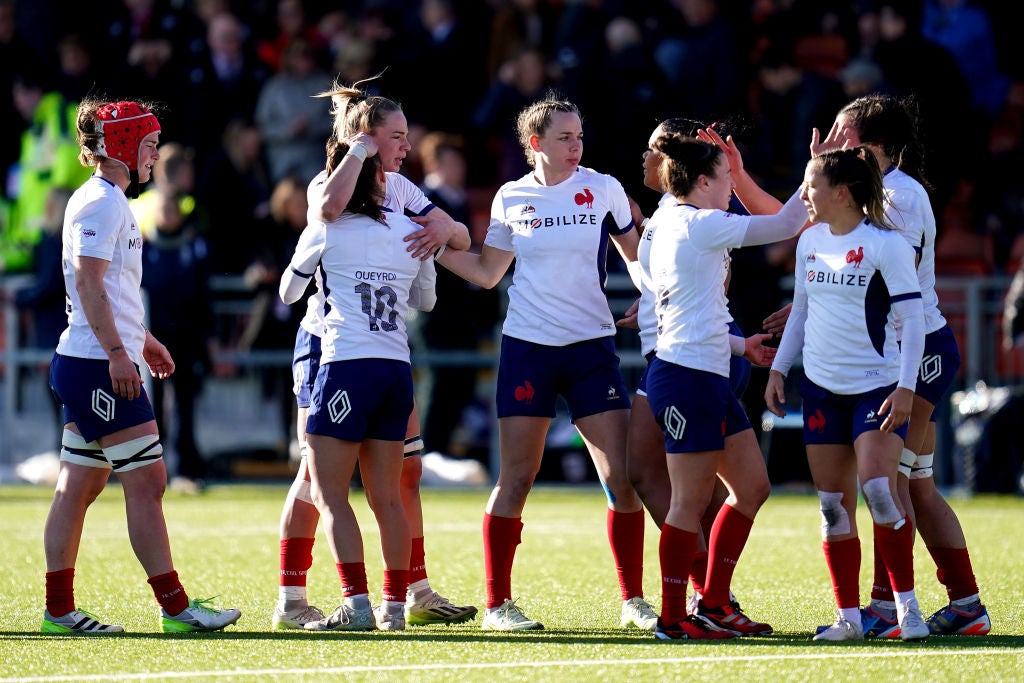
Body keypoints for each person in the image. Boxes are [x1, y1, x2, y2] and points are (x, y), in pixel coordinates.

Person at [436, 94, 655, 632]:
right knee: (516, 478)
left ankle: (634, 600)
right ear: (535, 144)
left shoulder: (604, 188)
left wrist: (653, 296)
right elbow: (489, 273)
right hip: (528, 349)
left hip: (591, 349)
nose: (576, 145)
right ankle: (496, 606)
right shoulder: (511, 198)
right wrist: (433, 246)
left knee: (621, 477)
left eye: (580, 136)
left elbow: (640, 256)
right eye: (565, 137)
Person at [272, 78, 476, 631]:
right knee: (317, 479)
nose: (408, 146)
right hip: (329, 344)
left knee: (396, 476)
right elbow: (330, 210)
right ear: (365, 137)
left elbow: (453, 233)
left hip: (366, 348)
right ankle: (295, 598)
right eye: (398, 136)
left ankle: (405, 593)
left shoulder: (402, 189)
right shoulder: (328, 183)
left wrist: (444, 231)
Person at [42, 98, 240, 634]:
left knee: (78, 487)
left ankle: (59, 610)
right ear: (125, 144)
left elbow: (111, 290)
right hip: (95, 363)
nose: (155, 154)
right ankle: (176, 608)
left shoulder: (111, 200)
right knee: (149, 480)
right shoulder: (102, 203)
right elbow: (86, 284)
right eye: (149, 143)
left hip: (94, 359)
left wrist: (143, 340)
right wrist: (116, 354)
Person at [828, 94, 990, 637]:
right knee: (915, 484)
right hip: (921, 349)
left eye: (842, 132)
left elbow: (881, 281)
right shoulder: (887, 191)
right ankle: (966, 604)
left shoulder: (897, 197)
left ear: (869, 143)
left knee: (888, 483)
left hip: (915, 355)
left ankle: (884, 607)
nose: (833, 139)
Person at [619, 119, 786, 634]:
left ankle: (712, 602)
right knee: (688, 500)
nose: (732, 187)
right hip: (686, 374)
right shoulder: (698, 222)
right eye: (726, 177)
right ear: (705, 180)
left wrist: (740, 344)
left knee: (751, 486)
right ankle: (675, 616)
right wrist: (821, 168)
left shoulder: (671, 219)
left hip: (703, 367)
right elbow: (788, 224)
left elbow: (680, 305)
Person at [765, 147, 929, 642]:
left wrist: (905, 387)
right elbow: (800, 313)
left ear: (841, 192)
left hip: (875, 389)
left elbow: (913, 318)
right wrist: (778, 368)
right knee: (832, 505)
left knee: (879, 492)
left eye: (810, 185)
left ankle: (909, 612)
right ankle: (849, 619)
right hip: (819, 389)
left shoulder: (886, 245)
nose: (804, 194)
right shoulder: (810, 240)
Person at [279, 140, 435, 632]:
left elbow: (288, 292)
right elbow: (426, 300)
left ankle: (356, 604)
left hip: (345, 363)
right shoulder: (412, 227)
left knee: (326, 492)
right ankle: (394, 607)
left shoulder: (328, 225)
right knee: (387, 497)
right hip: (396, 369)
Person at [141, 188, 216, 494]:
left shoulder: (195, 247)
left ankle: (187, 469)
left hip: (187, 341)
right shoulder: (143, 248)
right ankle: (153, 468)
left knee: (186, 406)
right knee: (152, 409)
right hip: (153, 342)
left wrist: (210, 338)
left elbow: (204, 298)